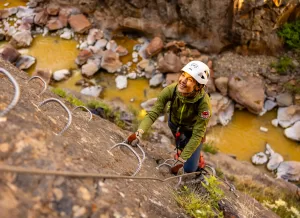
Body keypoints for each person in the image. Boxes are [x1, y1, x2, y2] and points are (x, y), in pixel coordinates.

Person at [126, 60, 212, 174]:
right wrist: (139, 132)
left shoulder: (204, 104)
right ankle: (187, 152)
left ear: (198, 86)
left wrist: (182, 160)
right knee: (180, 146)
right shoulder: (171, 90)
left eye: (190, 80)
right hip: (174, 125)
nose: (182, 81)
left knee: (189, 169)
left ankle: (197, 160)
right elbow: (154, 112)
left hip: (193, 132)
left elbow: (197, 134)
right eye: (183, 75)